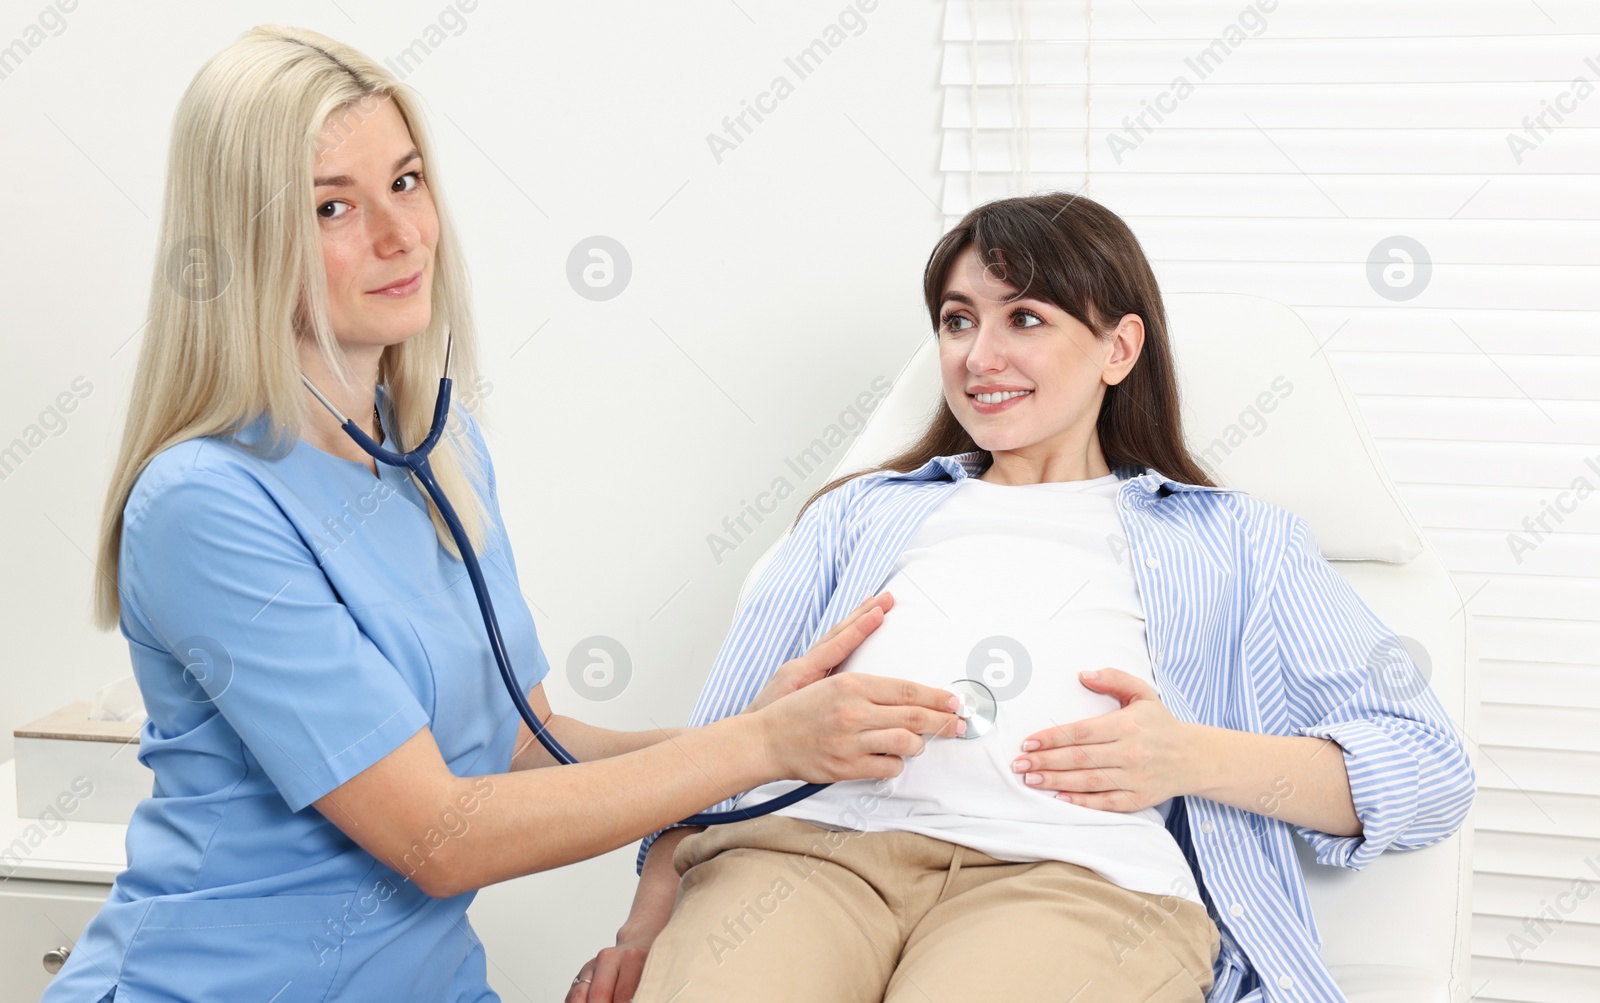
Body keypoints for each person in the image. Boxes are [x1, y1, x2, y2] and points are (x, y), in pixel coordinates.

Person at [42, 24, 965, 1003]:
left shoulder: (438, 449)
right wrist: (761, 748)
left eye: (406, 181)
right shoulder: (205, 504)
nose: (400, 236)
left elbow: (524, 740)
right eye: (332, 206)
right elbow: (436, 836)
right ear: (246, 240)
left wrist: (758, 724)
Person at [572, 193, 1478, 1003]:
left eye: (1026, 318)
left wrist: (1189, 756)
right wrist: (642, 928)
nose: (978, 355)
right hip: (806, 856)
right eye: (958, 320)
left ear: (1119, 348)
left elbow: (1428, 768)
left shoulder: (1236, 541)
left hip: (1077, 883)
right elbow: (715, 748)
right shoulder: (856, 517)